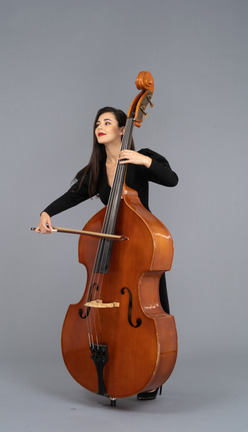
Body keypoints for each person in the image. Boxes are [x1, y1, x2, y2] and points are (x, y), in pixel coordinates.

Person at [36, 106, 178, 400]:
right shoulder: (97, 170)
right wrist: (46, 213)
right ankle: (117, 369)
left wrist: (143, 159)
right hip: (109, 250)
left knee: (150, 305)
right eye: (97, 123)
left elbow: (171, 178)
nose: (99, 127)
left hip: (140, 247)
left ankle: (150, 375)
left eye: (107, 122)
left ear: (123, 130)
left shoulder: (140, 159)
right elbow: (73, 196)